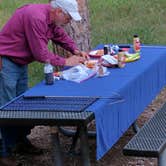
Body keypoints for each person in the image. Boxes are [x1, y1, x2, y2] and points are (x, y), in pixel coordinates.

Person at [0, 0, 88, 164]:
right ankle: (3, 152)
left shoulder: (50, 17)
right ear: (59, 11)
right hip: (6, 61)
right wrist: (66, 62)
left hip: (19, 61)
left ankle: (19, 142)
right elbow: (40, 53)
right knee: (6, 107)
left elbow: (58, 34)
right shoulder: (37, 17)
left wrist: (74, 49)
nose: (69, 21)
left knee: (21, 104)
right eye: (68, 17)